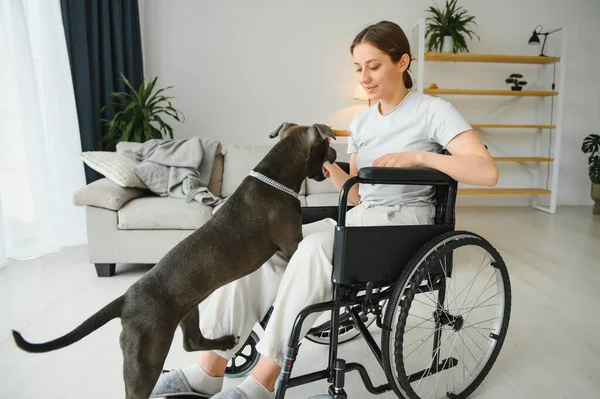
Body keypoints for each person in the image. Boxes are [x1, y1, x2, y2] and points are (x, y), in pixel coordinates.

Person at [151, 20, 498, 399]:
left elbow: (486, 171)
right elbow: (357, 197)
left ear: (403, 62)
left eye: (374, 66)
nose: (364, 77)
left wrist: (417, 158)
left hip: (406, 227)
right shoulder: (363, 120)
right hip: (363, 220)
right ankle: (209, 369)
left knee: (315, 250)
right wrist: (328, 168)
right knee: (261, 248)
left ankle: (261, 382)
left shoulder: (433, 110)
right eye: (358, 67)